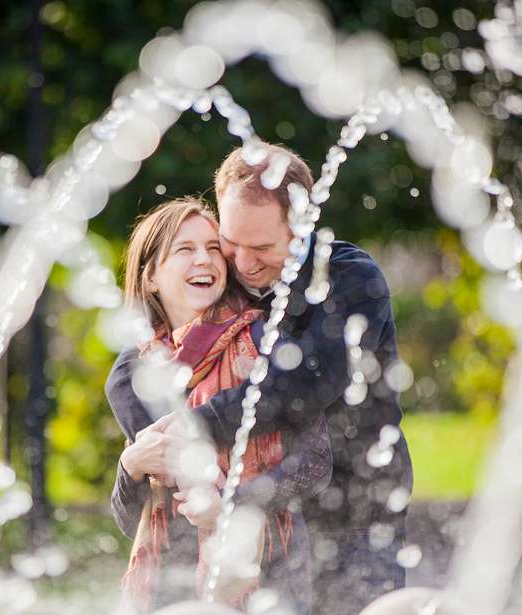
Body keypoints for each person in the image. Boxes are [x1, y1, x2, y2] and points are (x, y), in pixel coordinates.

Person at [106, 145, 413, 615]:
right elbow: (130, 377)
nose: (243, 263)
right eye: (230, 242)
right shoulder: (222, 293)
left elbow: (299, 387)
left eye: (263, 248)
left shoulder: (348, 280)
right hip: (241, 542)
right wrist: (142, 459)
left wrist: (193, 430)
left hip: (352, 518)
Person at [109, 197, 332, 615]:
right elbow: (130, 522)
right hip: (168, 590)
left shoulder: (266, 343)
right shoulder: (137, 376)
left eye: (214, 248)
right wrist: (131, 467)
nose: (205, 259)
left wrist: (233, 507)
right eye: (185, 249)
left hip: (267, 578)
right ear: (151, 277)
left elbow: (317, 461)